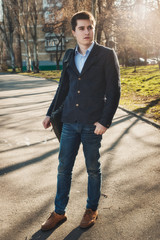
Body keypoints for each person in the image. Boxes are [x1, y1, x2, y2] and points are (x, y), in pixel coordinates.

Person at [42, 11, 120, 231]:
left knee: (93, 169)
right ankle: (59, 212)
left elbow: (114, 91)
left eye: (90, 27)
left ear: (93, 29)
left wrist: (105, 121)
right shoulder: (68, 55)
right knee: (63, 168)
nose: (87, 31)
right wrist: (50, 113)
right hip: (68, 121)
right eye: (82, 28)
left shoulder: (106, 54)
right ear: (74, 31)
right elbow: (62, 88)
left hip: (92, 124)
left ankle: (91, 209)